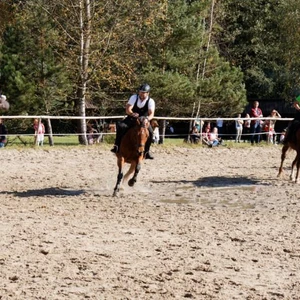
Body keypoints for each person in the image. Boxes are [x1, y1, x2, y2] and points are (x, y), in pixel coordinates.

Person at [111, 83, 155, 159]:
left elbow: (151, 114)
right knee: (121, 126)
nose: (141, 94)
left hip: (144, 120)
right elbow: (128, 109)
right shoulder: (134, 97)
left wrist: (147, 119)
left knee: (150, 132)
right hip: (132, 118)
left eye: (143, 93)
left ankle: (147, 151)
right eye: (140, 92)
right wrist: (132, 113)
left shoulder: (151, 101)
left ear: (148, 93)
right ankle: (116, 146)